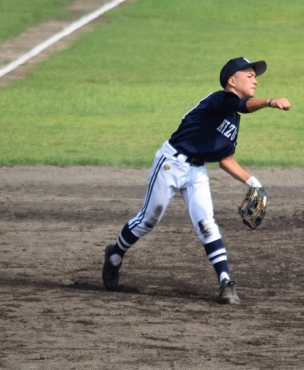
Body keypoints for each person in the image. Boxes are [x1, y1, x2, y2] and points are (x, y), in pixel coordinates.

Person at [102, 57, 291, 304]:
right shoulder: (219, 100)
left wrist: (253, 183)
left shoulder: (233, 120)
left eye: (255, 77)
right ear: (232, 81)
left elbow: (226, 160)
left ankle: (225, 281)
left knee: (206, 224)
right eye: (249, 75)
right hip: (170, 164)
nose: (255, 80)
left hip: (197, 171)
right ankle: (114, 255)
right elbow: (243, 105)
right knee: (149, 220)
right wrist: (270, 102)